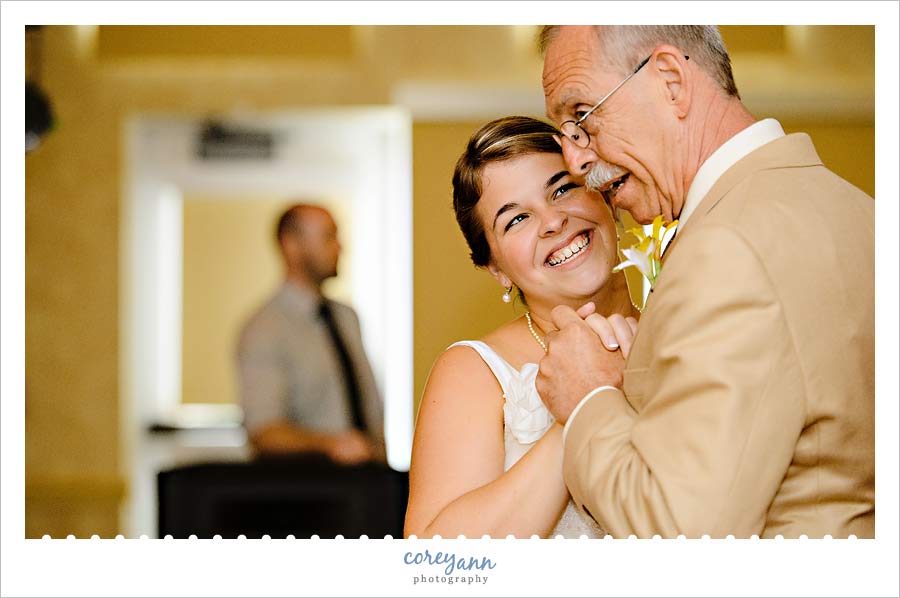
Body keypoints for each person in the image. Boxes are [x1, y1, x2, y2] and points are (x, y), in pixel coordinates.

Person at [535, 25, 874, 538]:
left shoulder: (728, 247)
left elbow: (685, 535)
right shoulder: (860, 210)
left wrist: (587, 396)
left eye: (582, 119)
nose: (576, 161)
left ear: (671, 80)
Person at [404, 116, 639, 539]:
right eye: (516, 220)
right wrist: (582, 405)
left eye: (563, 189)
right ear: (497, 269)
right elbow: (438, 568)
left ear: (605, 195)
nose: (552, 222)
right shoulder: (473, 372)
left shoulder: (682, 326)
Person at [236, 204, 385, 465]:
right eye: (329, 237)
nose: (340, 248)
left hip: (369, 483)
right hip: (312, 492)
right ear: (291, 245)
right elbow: (264, 431)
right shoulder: (263, 329)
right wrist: (333, 444)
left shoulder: (346, 317)